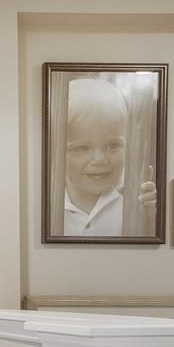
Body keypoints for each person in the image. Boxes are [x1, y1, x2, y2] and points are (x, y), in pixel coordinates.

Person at [62, 78, 156, 236]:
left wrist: (149, 216)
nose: (99, 159)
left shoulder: (133, 202)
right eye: (82, 148)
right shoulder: (48, 204)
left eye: (112, 146)